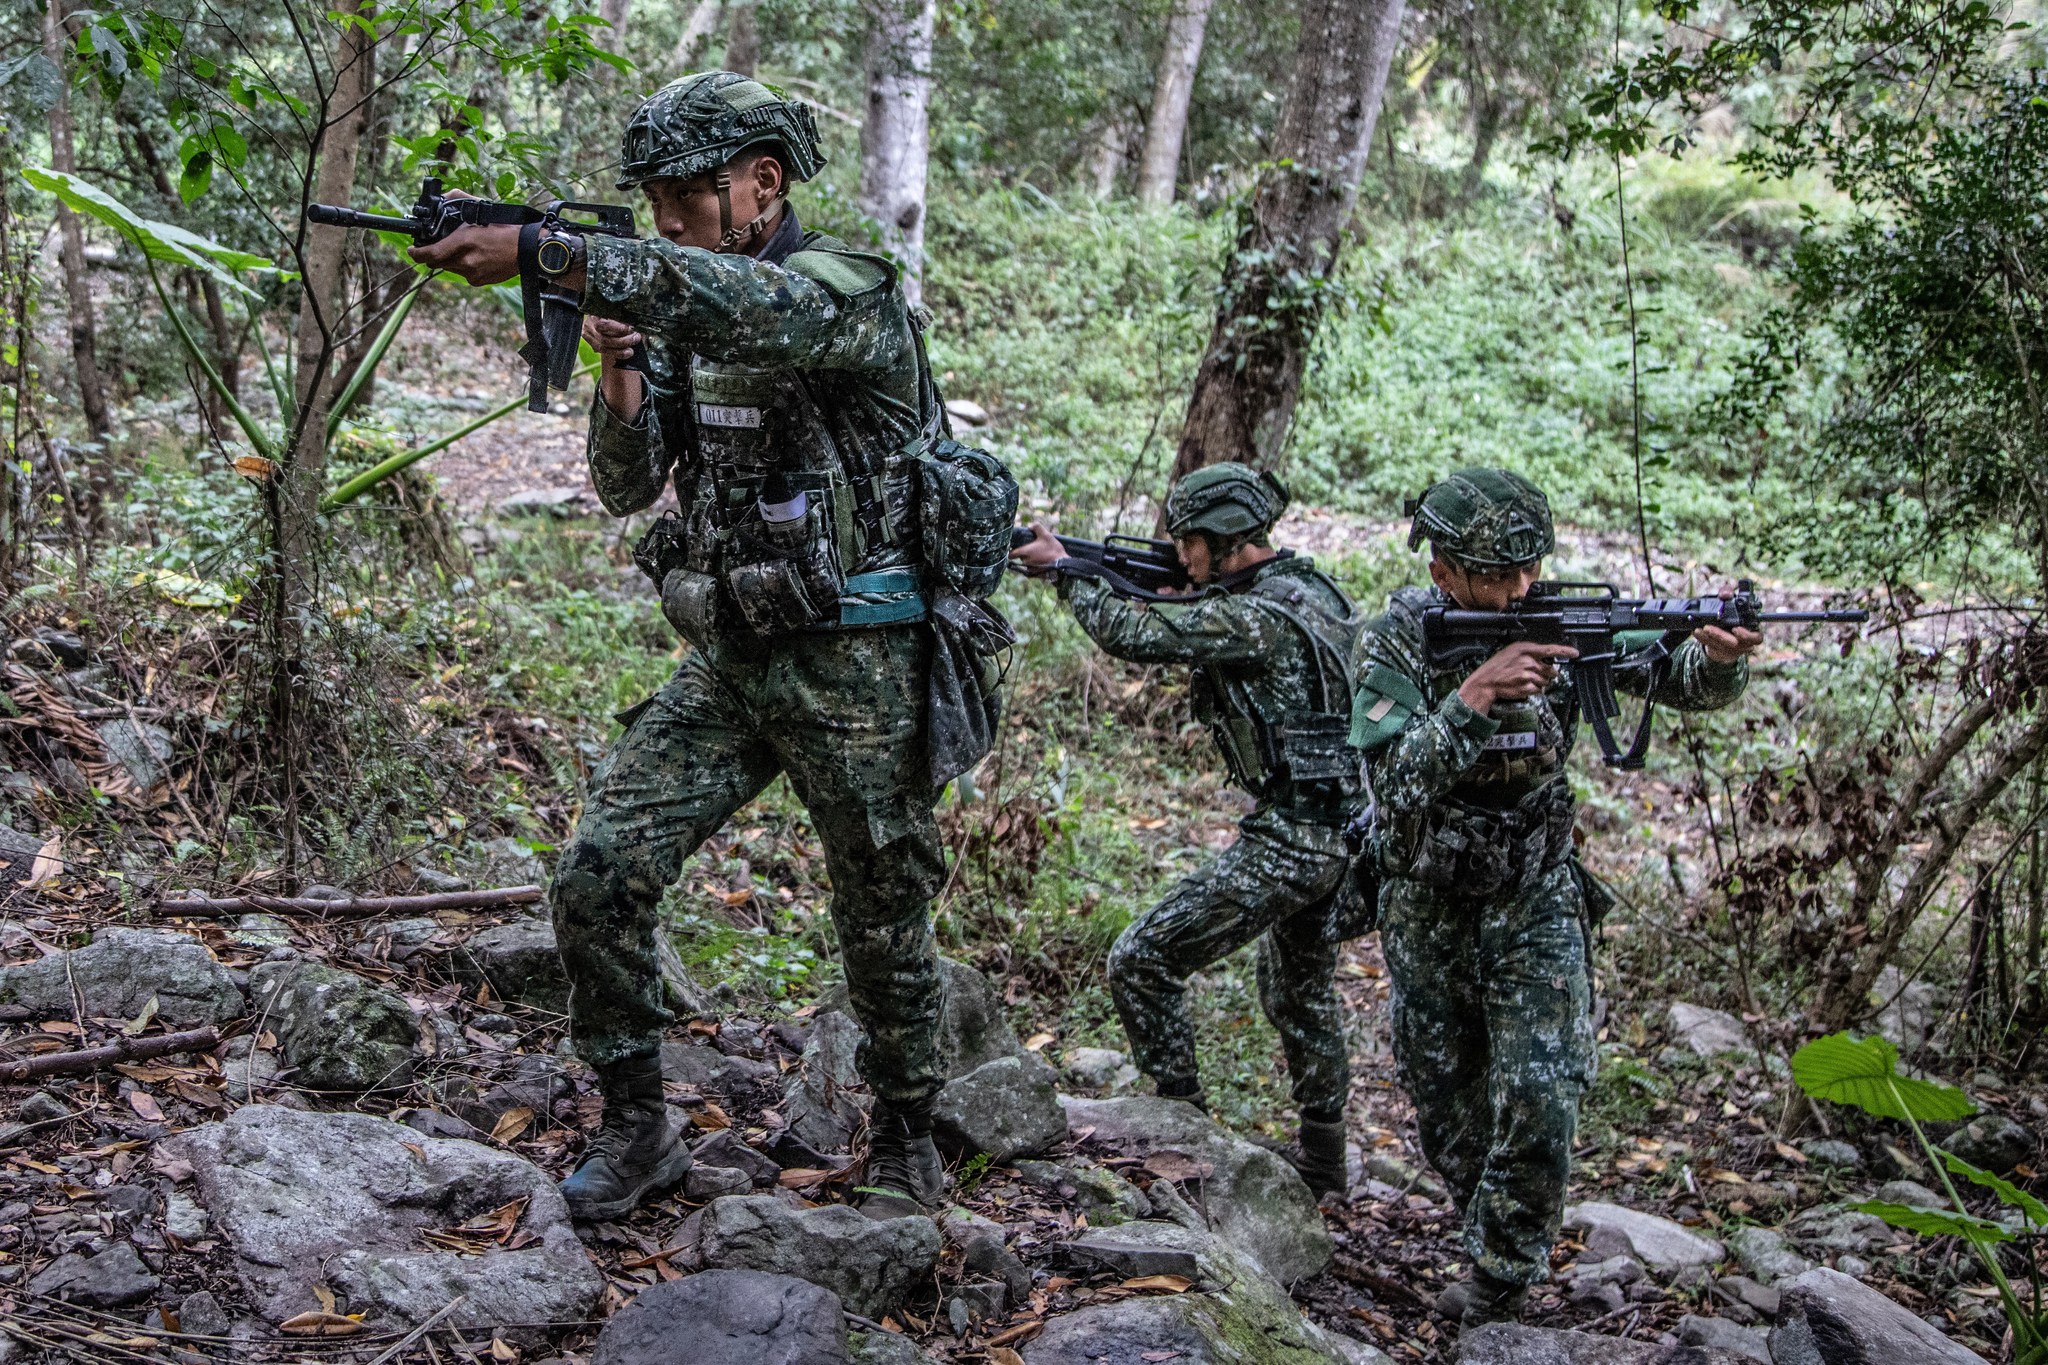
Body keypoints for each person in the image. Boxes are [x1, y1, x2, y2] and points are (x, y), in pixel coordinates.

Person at [413, 71, 970, 1222]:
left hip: (855, 661)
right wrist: (618, 359)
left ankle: (908, 1129)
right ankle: (636, 1128)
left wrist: (549, 255)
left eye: (686, 195)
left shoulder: (843, 293)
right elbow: (625, 487)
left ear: (761, 182)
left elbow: (744, 307)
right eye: (652, 199)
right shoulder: (679, 305)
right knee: (598, 874)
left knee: (881, 913)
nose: (667, 218)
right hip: (728, 656)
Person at [1349, 468, 1761, 1327]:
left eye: (1529, 567)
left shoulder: (1559, 622)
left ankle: (1503, 1271)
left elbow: (1675, 673)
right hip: (1427, 897)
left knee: (1543, 1087)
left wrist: (1717, 660)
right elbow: (1391, 781)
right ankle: (1480, 1216)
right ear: (1446, 570)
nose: (1520, 589)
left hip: (1534, 887)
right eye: (1499, 574)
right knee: (1445, 1095)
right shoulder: (1394, 639)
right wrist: (1473, 698)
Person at [1011, 463, 1362, 1195]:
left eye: (1188, 542)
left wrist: (1066, 570)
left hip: (1294, 841)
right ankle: (1326, 1162)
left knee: (1141, 959)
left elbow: (1131, 633)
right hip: (1339, 829)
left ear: (1226, 540)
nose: (1179, 556)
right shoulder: (1308, 589)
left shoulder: (1251, 616)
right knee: (1301, 992)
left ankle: (1182, 1134)